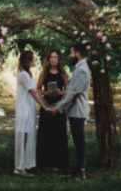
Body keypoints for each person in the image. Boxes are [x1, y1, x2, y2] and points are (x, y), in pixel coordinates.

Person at [50, 43, 91, 180]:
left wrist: (58, 107)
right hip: (75, 111)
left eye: (71, 53)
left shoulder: (81, 70)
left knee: (79, 142)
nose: (69, 55)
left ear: (78, 53)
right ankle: (78, 168)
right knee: (77, 140)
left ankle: (81, 171)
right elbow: (70, 92)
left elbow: (73, 94)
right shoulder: (79, 68)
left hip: (78, 111)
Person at [14, 50, 47, 177]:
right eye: (32, 59)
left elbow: (35, 92)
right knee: (23, 137)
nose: (34, 61)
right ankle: (19, 167)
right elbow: (33, 93)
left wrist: (45, 96)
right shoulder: (23, 74)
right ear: (27, 61)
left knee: (27, 137)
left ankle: (25, 165)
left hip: (29, 109)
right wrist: (44, 105)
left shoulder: (28, 74)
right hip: (24, 109)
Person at [36, 50, 69, 171]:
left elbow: (69, 90)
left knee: (59, 135)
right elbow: (38, 89)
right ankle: (45, 164)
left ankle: (59, 164)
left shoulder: (63, 73)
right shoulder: (44, 73)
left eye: (56, 57)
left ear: (59, 59)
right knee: (46, 135)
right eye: (51, 57)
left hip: (59, 106)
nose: (53, 59)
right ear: (48, 59)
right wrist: (45, 94)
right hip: (47, 106)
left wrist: (61, 93)